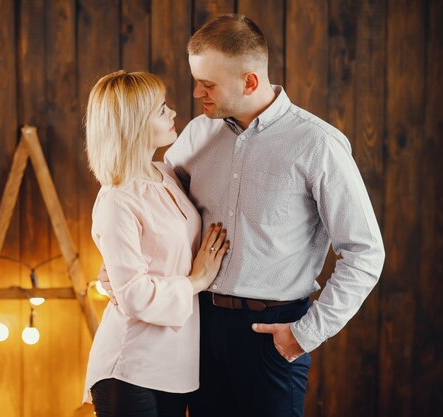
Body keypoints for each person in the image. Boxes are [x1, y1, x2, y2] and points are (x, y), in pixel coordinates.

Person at [100, 14, 385, 417]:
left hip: (272, 334)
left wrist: (305, 334)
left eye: (208, 84)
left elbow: (365, 253)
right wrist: (115, 265)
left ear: (249, 81)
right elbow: (145, 202)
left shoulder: (318, 144)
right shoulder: (197, 135)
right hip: (197, 327)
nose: (196, 91)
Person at [82, 70, 230, 417]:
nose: (173, 113)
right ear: (134, 123)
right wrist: (196, 281)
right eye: (161, 109)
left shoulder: (164, 173)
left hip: (175, 366)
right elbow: (133, 294)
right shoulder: (117, 199)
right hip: (131, 365)